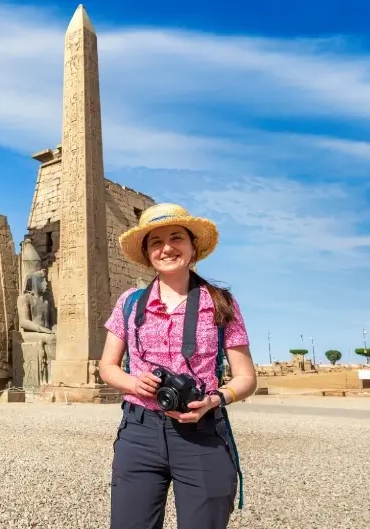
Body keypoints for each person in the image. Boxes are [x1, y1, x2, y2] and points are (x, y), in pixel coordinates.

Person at [99, 203, 257, 529]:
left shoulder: (220, 302)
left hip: (203, 434)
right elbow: (108, 367)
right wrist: (132, 384)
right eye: (156, 242)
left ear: (192, 246)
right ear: (147, 253)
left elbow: (246, 378)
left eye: (176, 238)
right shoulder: (129, 302)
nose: (167, 248)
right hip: (139, 434)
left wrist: (215, 399)